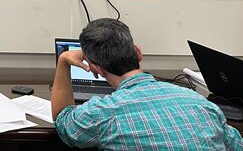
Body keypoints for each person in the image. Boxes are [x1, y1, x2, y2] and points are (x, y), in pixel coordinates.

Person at [52, 18, 241, 150]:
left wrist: (63, 61)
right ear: (138, 53)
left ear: (96, 69)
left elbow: (63, 122)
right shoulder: (202, 104)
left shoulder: (101, 113)